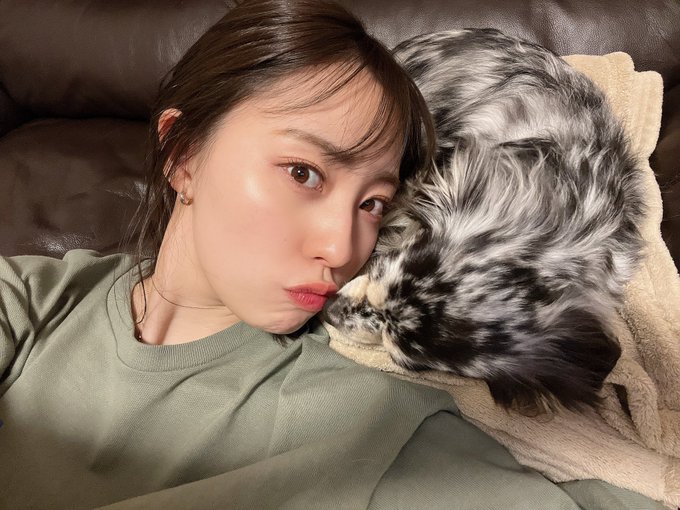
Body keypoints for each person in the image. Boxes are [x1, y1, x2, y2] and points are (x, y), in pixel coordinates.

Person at [0, 1, 666, 508]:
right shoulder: (34, 296)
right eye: (304, 173)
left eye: (374, 203)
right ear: (183, 155)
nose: (343, 248)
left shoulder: (369, 419)